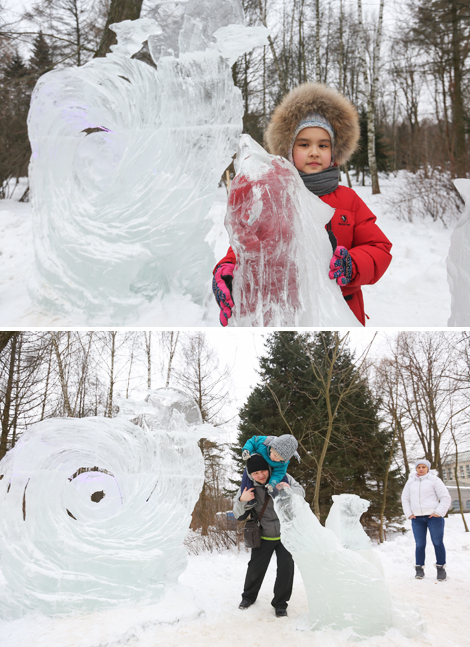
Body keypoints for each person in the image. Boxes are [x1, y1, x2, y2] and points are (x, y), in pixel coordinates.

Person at [212, 82, 392, 327]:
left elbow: (378, 247)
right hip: (289, 314)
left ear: (335, 151)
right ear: (289, 150)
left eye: (323, 145)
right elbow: (250, 246)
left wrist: (353, 264)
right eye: (304, 144)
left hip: (341, 312)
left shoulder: (348, 200)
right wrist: (228, 269)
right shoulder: (274, 196)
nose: (314, 152)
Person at [233, 453, 305, 617]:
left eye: (262, 471)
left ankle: (280, 603)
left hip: (286, 535)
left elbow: (301, 492)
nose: (260, 476)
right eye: (255, 473)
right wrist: (242, 500)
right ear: (250, 474)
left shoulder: (283, 477)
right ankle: (248, 597)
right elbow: (237, 514)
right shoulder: (247, 486)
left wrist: (287, 489)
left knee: (286, 571)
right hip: (263, 535)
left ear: (268, 468)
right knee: (255, 569)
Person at [401, 459, 451, 581]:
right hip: (417, 519)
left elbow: (445, 497)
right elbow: (405, 499)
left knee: (437, 543)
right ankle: (419, 569)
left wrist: (438, 512)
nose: (421, 469)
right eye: (419, 467)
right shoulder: (410, 482)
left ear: (428, 468)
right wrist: (409, 513)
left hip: (434, 518)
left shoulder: (434, 480)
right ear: (416, 469)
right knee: (420, 544)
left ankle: (441, 569)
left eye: (424, 467)